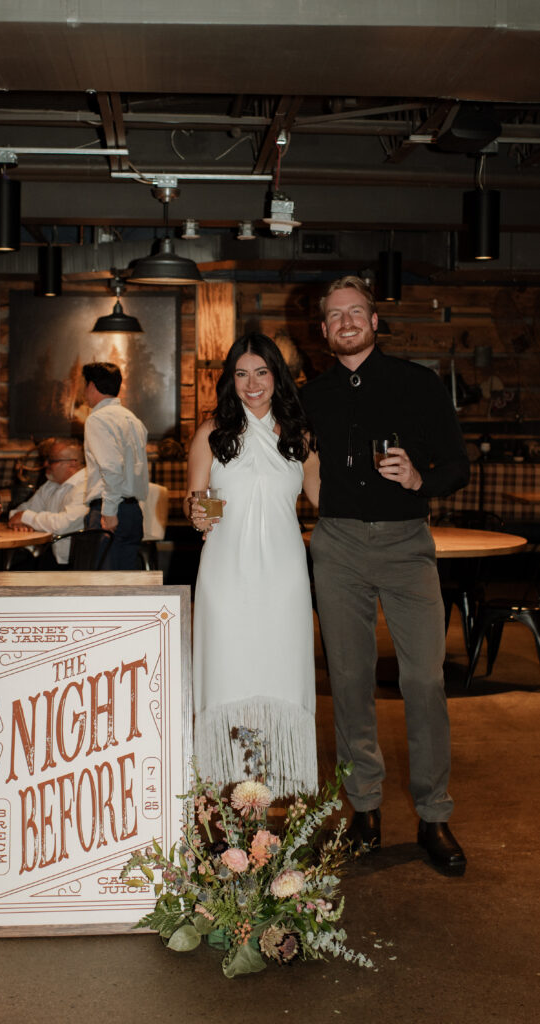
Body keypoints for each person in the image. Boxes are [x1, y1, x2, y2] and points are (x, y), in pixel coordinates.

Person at [299, 275, 470, 875]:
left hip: (406, 544)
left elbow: (457, 465)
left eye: (356, 312)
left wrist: (421, 478)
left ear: (374, 321)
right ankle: (365, 810)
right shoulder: (310, 396)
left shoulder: (418, 383)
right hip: (338, 544)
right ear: (323, 329)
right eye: (334, 315)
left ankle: (433, 814)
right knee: (349, 682)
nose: (346, 321)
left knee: (423, 679)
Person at [187, 332, 320, 797]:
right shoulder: (212, 433)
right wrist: (197, 512)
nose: (252, 383)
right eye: (241, 374)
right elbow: (196, 499)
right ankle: (229, 785)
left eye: (261, 372)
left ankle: (271, 785)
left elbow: (324, 498)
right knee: (230, 669)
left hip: (284, 575)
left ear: (277, 376)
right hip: (226, 572)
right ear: (231, 380)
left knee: (279, 669)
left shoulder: (300, 435)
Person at [82, 362, 149, 570]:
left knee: (104, 583)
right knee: (126, 582)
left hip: (109, 510)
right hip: (133, 511)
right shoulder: (133, 419)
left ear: (92, 386)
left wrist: (109, 511)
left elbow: (111, 468)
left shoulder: (97, 419)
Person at [7, 438, 88, 569]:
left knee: (10, 572)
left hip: (75, 564)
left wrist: (26, 518)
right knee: (6, 570)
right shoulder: (51, 485)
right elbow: (20, 511)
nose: (45, 464)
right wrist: (20, 519)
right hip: (49, 556)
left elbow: (63, 524)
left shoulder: (87, 486)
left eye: (52, 460)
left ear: (72, 463)